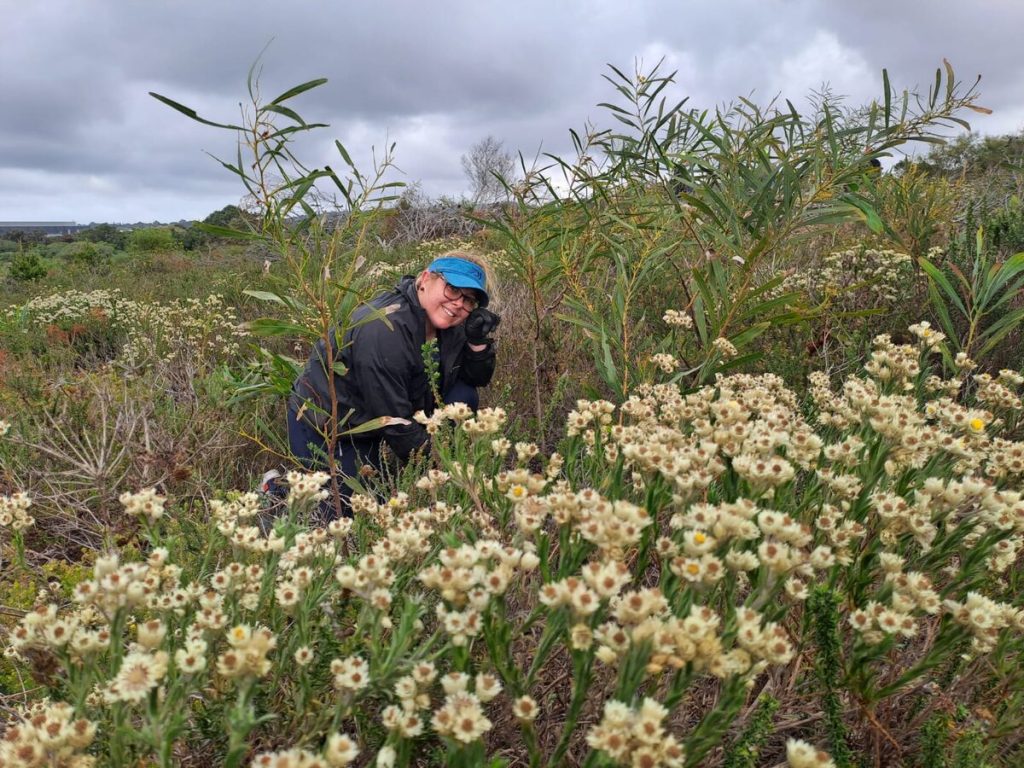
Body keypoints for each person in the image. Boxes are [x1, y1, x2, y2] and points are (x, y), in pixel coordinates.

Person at [286, 252, 501, 516]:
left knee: (463, 395)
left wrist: (477, 342)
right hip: (333, 423)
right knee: (351, 512)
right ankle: (276, 487)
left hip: (384, 409)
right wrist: (444, 472)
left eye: (469, 300)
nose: (458, 304)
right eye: (453, 289)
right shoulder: (384, 328)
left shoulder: (449, 323)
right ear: (425, 279)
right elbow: (393, 419)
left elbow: (476, 380)